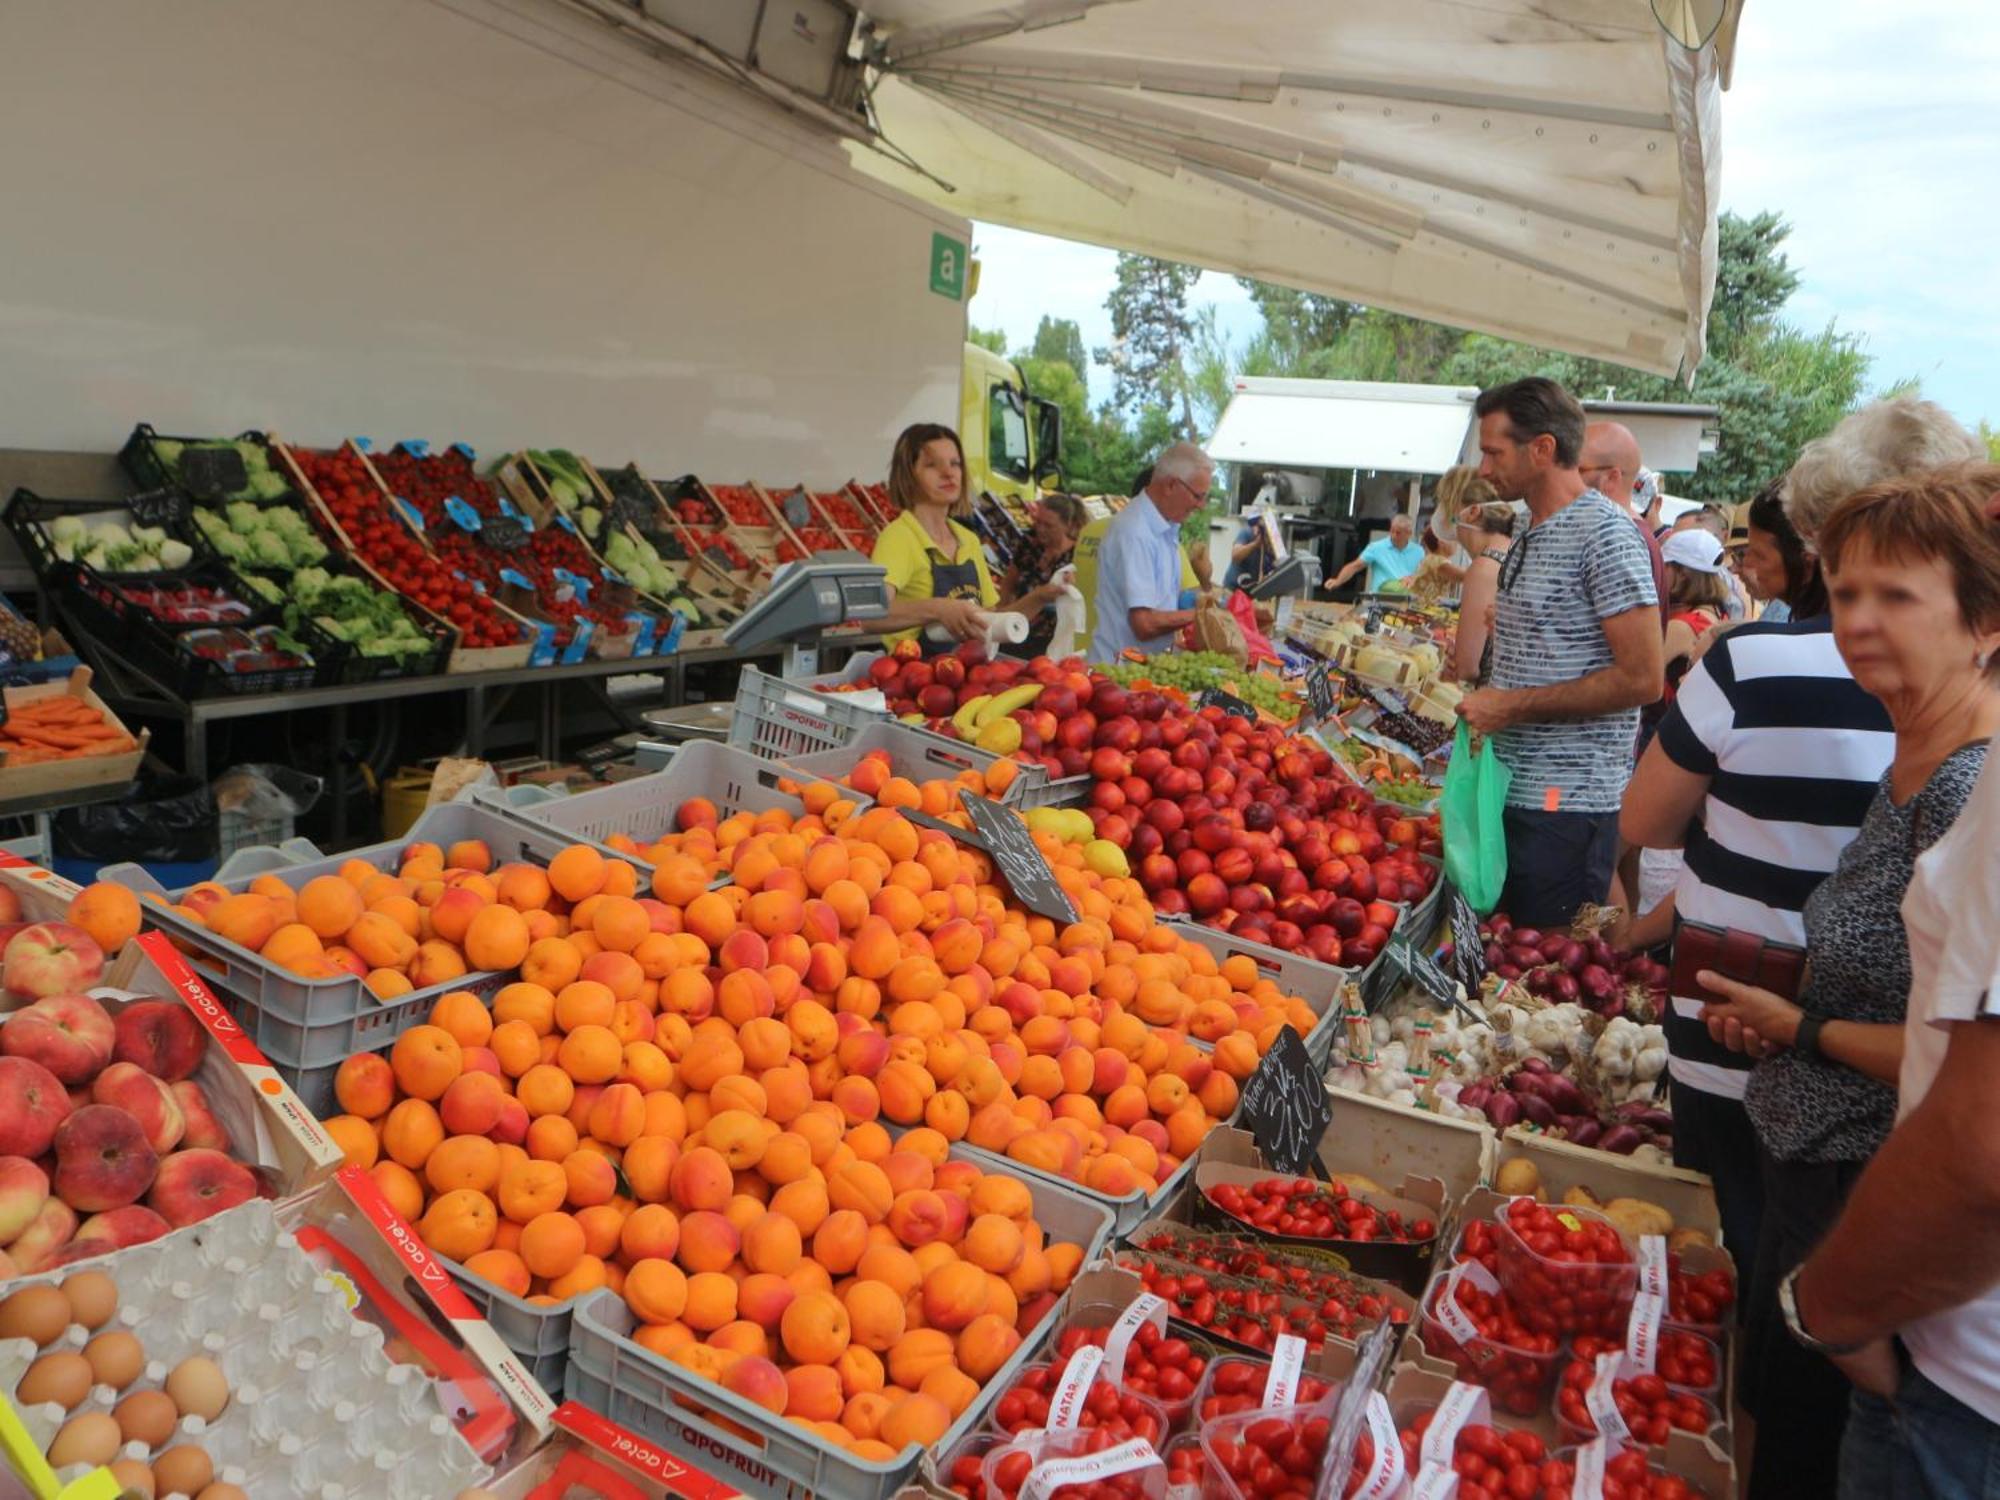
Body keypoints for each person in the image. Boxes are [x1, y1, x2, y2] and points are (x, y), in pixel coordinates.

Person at [1669, 449, 1992, 1500]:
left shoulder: (1965, 792)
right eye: (1843, 588)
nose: (1856, 618)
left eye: (1894, 594)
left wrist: (1798, 1028)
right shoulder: (1911, 766)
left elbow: (1955, 1079)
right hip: (1819, 1176)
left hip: (1876, 1223)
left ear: (1982, 622)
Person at [1458, 378, 1662, 927]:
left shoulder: (1607, 535)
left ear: (1542, 449)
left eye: (1494, 452)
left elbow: (1644, 679)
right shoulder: (1528, 527)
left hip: (1566, 805)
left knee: (1547, 973)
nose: (1483, 469)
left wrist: (1511, 706)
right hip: (1512, 788)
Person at [870, 424, 1059, 645]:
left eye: (955, 464)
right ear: (908, 475)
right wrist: (938, 609)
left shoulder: (966, 539)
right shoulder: (900, 537)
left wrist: (1040, 596)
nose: (948, 473)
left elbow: (989, 620)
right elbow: (872, 616)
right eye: (932, 465)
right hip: (914, 675)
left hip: (965, 673)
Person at [1089, 443, 1214, 662]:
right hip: (1119, 673)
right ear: (1171, 485)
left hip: (1139, 668)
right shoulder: (1135, 532)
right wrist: (1206, 615)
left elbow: (1163, 599)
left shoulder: (1163, 527)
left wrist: (1208, 597)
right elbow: (1144, 624)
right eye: (1197, 496)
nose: (1201, 505)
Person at [1580, 421, 1668, 628]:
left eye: (1578, 469)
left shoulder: (1620, 540)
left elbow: (1634, 651)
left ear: (1612, 478)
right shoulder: (1630, 533)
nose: (1568, 478)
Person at [999, 493, 1086, 658]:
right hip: (1016, 629)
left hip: (1050, 640)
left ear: (1068, 525)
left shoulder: (1076, 556)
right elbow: (1009, 581)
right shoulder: (1029, 545)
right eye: (1038, 522)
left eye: (1049, 525)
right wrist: (1002, 610)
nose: (1040, 529)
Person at [1656, 529, 1730, 701]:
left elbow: (1641, 678)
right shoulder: (1718, 613)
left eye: (1665, 566)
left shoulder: (1681, 628)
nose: (1659, 573)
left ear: (1682, 575)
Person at [1451, 502, 1515, 683]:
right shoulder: (1514, 554)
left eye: (1454, 518)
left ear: (1473, 512)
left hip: (1494, 694)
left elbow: (1466, 668)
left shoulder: (1485, 567)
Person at [1325, 512, 1424, 594]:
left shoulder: (1419, 551)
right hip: (1381, 601)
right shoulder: (1376, 547)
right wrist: (1337, 581)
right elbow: (1355, 566)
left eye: (1398, 533)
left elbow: (1425, 576)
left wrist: (1414, 579)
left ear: (1409, 534)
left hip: (1407, 603)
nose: (1393, 535)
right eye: (1392, 531)